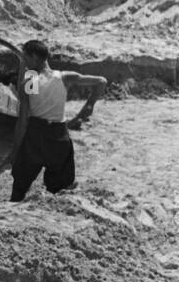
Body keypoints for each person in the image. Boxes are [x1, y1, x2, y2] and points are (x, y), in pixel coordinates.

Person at [10, 39, 108, 202]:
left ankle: (12, 209)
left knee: (20, 185)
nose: (25, 63)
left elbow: (23, 120)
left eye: (26, 59)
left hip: (35, 136)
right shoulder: (64, 77)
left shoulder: (30, 81)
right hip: (59, 137)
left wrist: (15, 150)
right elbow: (101, 82)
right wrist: (88, 107)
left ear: (34, 58)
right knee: (59, 190)